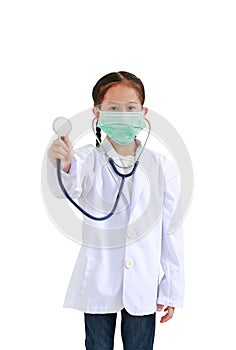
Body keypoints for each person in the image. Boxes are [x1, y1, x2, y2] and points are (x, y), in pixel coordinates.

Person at [48, 71, 184, 350]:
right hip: (100, 278)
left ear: (144, 112)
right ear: (96, 112)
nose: (122, 116)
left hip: (144, 284)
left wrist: (171, 288)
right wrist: (62, 164)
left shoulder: (161, 167)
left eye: (131, 108)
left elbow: (171, 231)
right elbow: (67, 188)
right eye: (113, 109)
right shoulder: (85, 159)